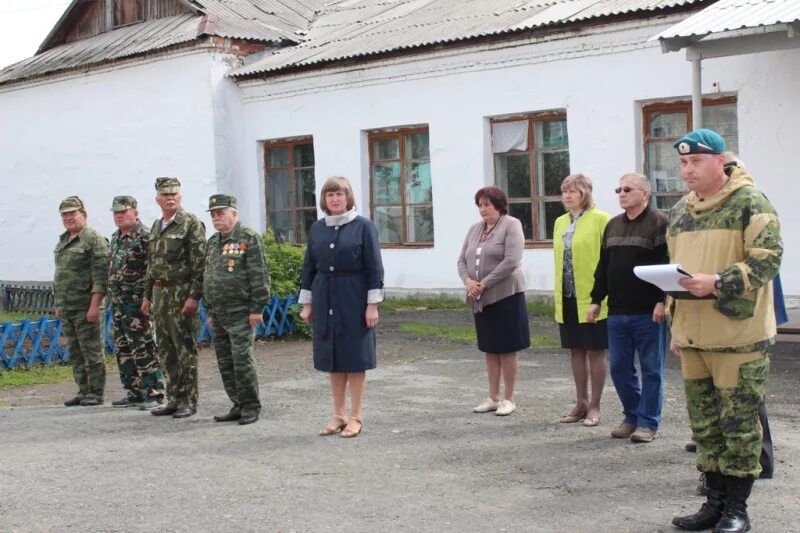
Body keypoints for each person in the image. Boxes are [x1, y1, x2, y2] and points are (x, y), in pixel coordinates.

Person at [667, 129, 782, 533]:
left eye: (696, 161)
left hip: (738, 337)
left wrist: (717, 281)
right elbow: (674, 271)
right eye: (683, 163)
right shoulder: (681, 210)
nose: (687, 170)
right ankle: (713, 505)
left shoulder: (750, 202)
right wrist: (675, 323)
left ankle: (737, 510)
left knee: (740, 426)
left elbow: (768, 261)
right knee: (706, 428)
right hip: (694, 337)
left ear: (720, 161)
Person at [299, 176, 384, 438]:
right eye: (330, 195)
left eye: (340, 194)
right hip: (326, 297)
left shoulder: (363, 226)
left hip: (354, 296)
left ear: (348, 197)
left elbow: (374, 268)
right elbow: (309, 268)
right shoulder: (318, 228)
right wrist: (307, 303)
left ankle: (356, 416)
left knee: (354, 359)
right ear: (324, 199)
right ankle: (338, 414)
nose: (335, 199)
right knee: (333, 358)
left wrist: (372, 306)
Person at [588, 173, 668, 443]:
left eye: (627, 189)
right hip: (618, 311)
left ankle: (648, 423)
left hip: (648, 311)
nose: (621, 194)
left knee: (651, 369)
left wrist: (662, 300)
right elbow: (604, 267)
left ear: (645, 193)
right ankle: (632, 416)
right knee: (620, 367)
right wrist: (596, 299)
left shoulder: (659, 223)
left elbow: (666, 265)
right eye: (618, 189)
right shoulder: (612, 226)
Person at [457, 186, 529, 416]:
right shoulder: (475, 229)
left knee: (507, 348)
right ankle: (493, 397)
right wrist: (468, 281)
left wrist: (484, 283)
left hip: (506, 294)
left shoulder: (511, 225)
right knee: (490, 347)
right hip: (480, 298)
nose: (483, 209)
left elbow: (511, 260)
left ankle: (509, 398)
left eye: (487, 204)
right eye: (480, 205)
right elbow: (461, 259)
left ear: (499, 204)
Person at [141, 177, 206, 419]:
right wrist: (147, 295)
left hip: (181, 293)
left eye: (174, 194)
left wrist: (194, 296)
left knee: (184, 349)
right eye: (165, 195)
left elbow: (200, 263)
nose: (170, 198)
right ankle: (173, 398)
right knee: (166, 349)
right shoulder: (157, 226)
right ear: (157, 199)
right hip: (160, 294)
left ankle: (189, 401)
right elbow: (152, 264)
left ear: (180, 196)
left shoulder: (190, 223)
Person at [203, 194, 270, 426]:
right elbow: (209, 277)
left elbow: (259, 276)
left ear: (234, 213)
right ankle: (237, 403)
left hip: (241, 312)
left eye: (220, 212)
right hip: (219, 313)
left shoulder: (248, 239)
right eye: (213, 214)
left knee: (241, 359)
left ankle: (251, 405)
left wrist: (257, 308)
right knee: (225, 361)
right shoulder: (213, 242)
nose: (216, 217)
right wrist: (210, 311)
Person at [553, 174, 610, 427]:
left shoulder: (602, 220)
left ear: (585, 193)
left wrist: (601, 295)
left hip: (592, 296)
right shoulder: (559, 222)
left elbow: (607, 261)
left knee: (595, 351)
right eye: (564, 191)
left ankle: (595, 406)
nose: (567, 196)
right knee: (576, 349)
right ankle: (581, 402)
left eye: (573, 191)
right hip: (567, 296)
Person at [107, 195, 167, 410]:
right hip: (118, 304)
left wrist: (149, 298)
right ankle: (135, 391)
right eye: (116, 212)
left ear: (135, 212)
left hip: (138, 305)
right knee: (123, 349)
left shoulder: (145, 237)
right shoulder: (116, 237)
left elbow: (153, 270)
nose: (119, 215)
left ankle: (155, 392)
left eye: (123, 211)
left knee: (144, 348)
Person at [54, 196, 109, 407]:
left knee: (92, 351)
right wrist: (59, 304)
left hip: (87, 306)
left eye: (72, 213)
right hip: (69, 307)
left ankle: (95, 393)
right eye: (65, 215)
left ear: (83, 214)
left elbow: (100, 277)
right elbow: (60, 275)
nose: (68, 218)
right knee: (75, 352)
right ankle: (83, 390)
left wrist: (95, 305)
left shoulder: (94, 239)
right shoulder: (63, 240)